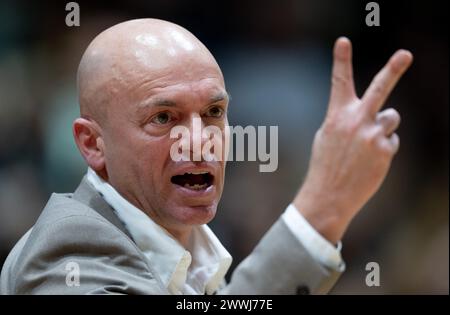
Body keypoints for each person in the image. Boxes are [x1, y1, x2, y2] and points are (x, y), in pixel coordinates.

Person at [0, 18, 412, 295]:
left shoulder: (195, 253)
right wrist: (322, 210)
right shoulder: (66, 255)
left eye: (214, 113)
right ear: (92, 144)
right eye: (163, 118)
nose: (199, 142)